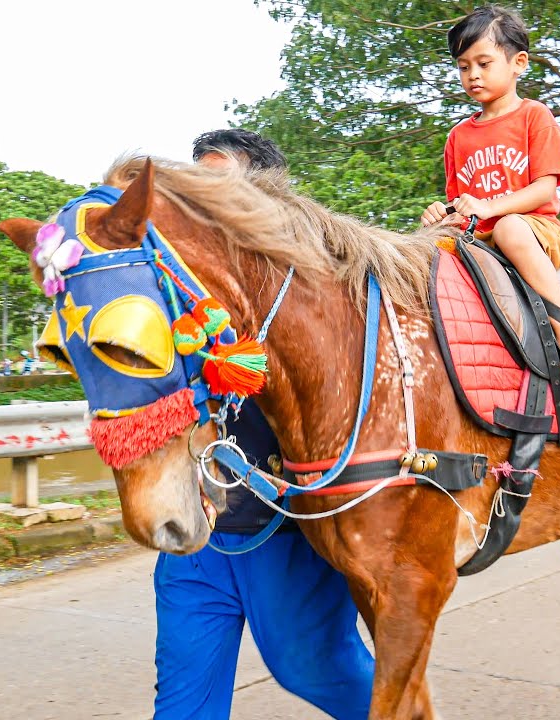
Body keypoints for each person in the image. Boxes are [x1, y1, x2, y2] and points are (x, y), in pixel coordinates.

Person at [149, 129, 374, 720]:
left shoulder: (314, 302)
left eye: (219, 185)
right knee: (181, 706)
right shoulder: (178, 301)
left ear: (267, 199)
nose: (202, 200)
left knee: (323, 676)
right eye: (196, 184)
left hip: (284, 539)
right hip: (197, 542)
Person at [421, 5, 560, 389]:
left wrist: (490, 208)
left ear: (519, 63)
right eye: (463, 67)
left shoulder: (534, 116)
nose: (473, 75)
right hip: (480, 241)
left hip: (536, 231)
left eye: (483, 63)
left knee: (511, 228)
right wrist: (441, 215)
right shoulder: (458, 137)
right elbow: (461, 208)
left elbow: (545, 189)